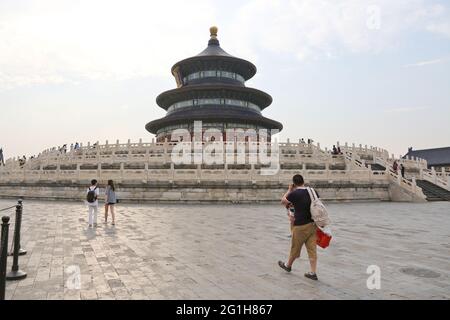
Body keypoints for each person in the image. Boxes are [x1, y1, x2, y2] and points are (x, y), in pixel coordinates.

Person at [279, 174, 319, 281]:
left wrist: (289, 190)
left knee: (295, 248)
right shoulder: (312, 191)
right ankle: (313, 272)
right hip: (312, 224)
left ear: (294, 183)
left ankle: (288, 265)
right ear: (303, 181)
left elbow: (283, 201)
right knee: (312, 250)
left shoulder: (294, 193)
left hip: (300, 225)